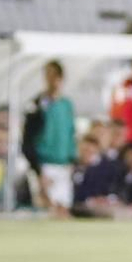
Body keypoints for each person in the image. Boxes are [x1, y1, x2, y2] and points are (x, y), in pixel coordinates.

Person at [23, 59, 76, 217]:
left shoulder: (66, 105)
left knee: (63, 207)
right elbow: (28, 139)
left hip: (63, 164)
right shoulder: (37, 104)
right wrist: (38, 171)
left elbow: (71, 134)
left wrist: (72, 161)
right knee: (46, 206)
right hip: (44, 163)